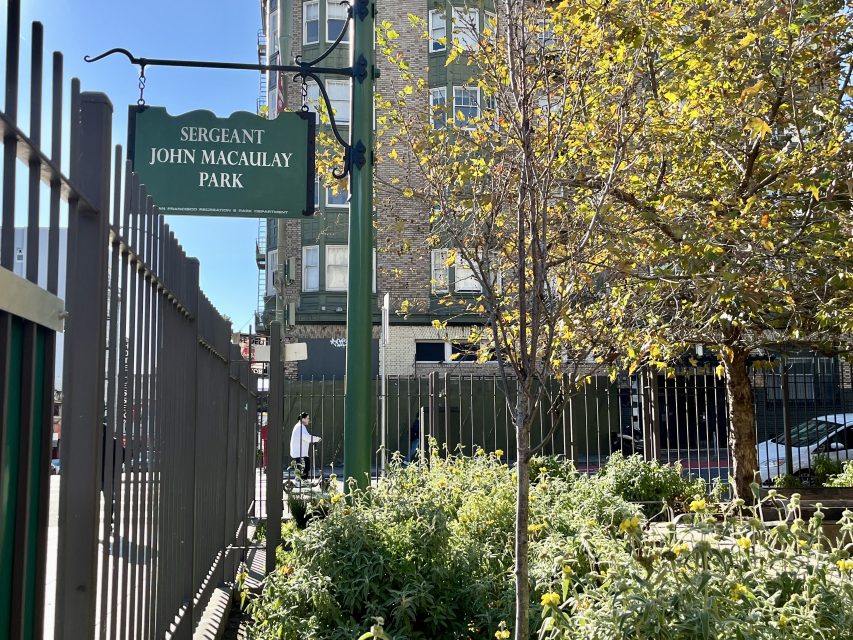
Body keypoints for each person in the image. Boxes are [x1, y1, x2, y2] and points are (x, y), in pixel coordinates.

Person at [289, 412, 321, 479]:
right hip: (300, 453)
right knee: (304, 467)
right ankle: (301, 481)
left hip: (300, 452)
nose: (309, 420)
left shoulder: (300, 426)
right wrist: (317, 439)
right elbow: (306, 437)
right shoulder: (300, 427)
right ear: (303, 419)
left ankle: (301, 481)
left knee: (303, 467)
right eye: (308, 418)